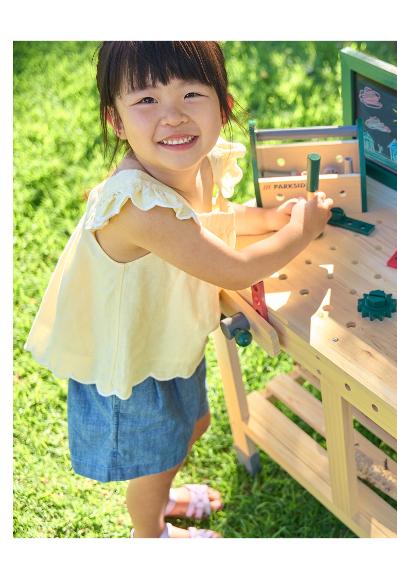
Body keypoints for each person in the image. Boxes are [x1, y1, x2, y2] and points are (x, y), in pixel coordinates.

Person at [24, 41, 333, 538]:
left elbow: (211, 220)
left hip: (163, 341)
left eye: (191, 93)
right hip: (129, 360)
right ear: (117, 121)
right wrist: (301, 230)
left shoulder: (192, 166)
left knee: (193, 426)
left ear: (223, 105)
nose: (172, 117)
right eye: (146, 100)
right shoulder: (138, 205)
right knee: (157, 457)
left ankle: (162, 498)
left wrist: (272, 217)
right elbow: (233, 269)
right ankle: (151, 536)